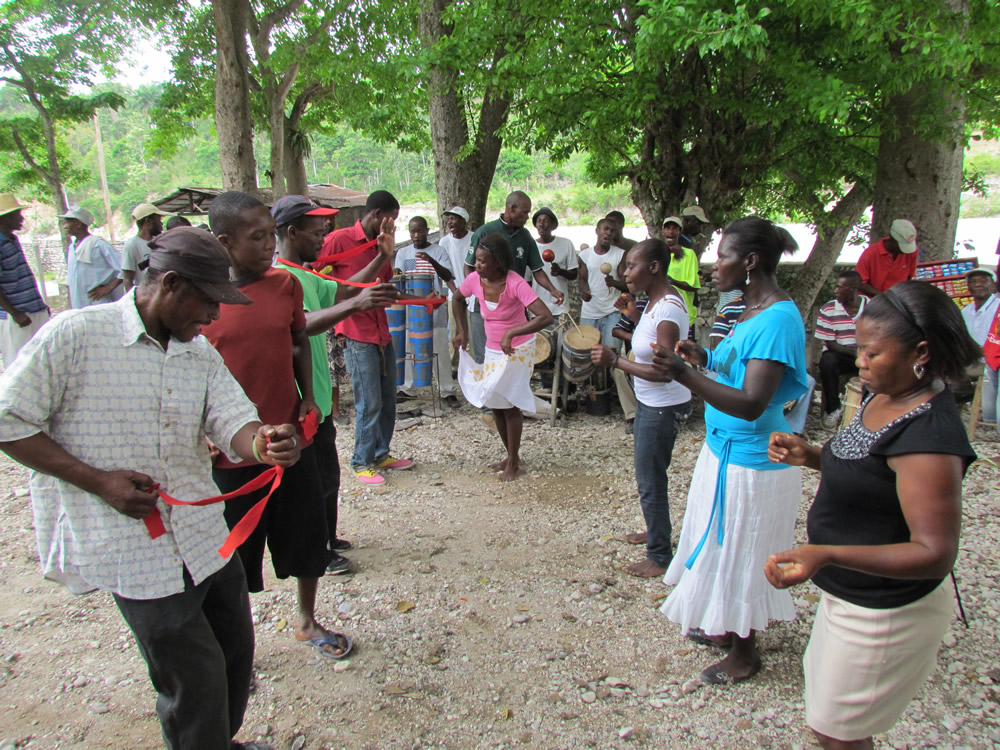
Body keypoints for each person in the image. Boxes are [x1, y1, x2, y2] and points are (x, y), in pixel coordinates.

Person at [0, 225, 301, 750]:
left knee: (234, 654)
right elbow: (9, 419)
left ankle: (215, 743)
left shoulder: (197, 352)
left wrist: (266, 442)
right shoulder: (75, 336)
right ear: (169, 284)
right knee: (194, 676)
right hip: (135, 548)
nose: (213, 316)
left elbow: (232, 421)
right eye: (208, 302)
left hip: (205, 538)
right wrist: (99, 481)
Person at [765, 280, 979, 750]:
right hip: (850, 594)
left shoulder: (929, 438)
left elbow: (934, 553)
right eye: (859, 349)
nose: (858, 362)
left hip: (887, 610)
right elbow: (870, 469)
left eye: (871, 353)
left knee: (839, 731)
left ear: (920, 352)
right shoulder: (885, 392)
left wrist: (825, 553)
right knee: (832, 721)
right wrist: (813, 455)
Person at [650, 216, 808, 684]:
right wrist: (706, 359)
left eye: (722, 256)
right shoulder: (748, 309)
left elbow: (753, 402)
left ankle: (745, 653)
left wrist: (684, 376)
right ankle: (727, 628)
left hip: (753, 462)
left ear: (751, 262)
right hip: (724, 452)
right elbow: (738, 367)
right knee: (720, 543)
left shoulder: (778, 319)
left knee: (743, 549)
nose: (712, 266)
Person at [205, 191, 351, 662]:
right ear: (224, 241)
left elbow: (297, 342)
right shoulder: (203, 296)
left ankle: (306, 621)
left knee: (308, 532)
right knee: (233, 551)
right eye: (257, 237)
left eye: (272, 234)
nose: (270, 245)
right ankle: (234, 645)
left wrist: (306, 395)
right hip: (233, 447)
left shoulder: (284, 285)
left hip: (290, 435)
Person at [272, 195, 398, 574]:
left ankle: (327, 537)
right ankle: (318, 555)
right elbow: (302, 323)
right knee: (310, 484)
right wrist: (357, 306)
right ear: (291, 233)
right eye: (316, 231)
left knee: (327, 474)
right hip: (297, 401)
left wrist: (379, 257)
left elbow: (342, 289)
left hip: (318, 399)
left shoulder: (305, 273)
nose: (323, 236)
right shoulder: (281, 278)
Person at [591, 239, 691, 577]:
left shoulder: (668, 310)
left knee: (650, 479)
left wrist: (616, 360)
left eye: (631, 266)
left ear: (654, 267)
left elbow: (666, 371)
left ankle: (659, 554)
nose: (624, 272)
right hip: (651, 404)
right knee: (649, 474)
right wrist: (633, 314)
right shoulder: (653, 303)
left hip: (662, 407)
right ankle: (655, 531)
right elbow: (650, 344)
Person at [321, 190, 414, 485]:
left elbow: (384, 285)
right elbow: (318, 279)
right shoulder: (340, 240)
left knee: (388, 398)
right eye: (391, 221)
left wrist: (421, 299)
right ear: (376, 215)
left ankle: (380, 452)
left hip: (381, 331)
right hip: (356, 332)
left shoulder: (381, 245)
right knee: (369, 401)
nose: (392, 228)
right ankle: (360, 461)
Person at [452, 233, 553, 481]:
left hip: (518, 350)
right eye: (476, 260)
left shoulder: (516, 283)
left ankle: (514, 462)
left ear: (498, 262)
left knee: (509, 406)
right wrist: (462, 331)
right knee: (495, 404)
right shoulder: (475, 280)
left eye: (483, 261)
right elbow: (457, 298)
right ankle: (511, 456)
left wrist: (513, 332)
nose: (477, 266)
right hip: (494, 350)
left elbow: (545, 316)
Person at [463, 191, 564, 364]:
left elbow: (537, 270)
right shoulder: (485, 232)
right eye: (525, 212)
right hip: (485, 307)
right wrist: (478, 293)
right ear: (512, 209)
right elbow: (470, 266)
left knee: (511, 356)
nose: (527, 217)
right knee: (484, 357)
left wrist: (553, 290)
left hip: (512, 307)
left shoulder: (525, 237)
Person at [394, 215, 459, 403]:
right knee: (409, 347)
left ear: (427, 231)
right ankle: (408, 388)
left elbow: (448, 276)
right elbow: (399, 276)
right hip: (411, 309)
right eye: (412, 231)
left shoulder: (438, 251)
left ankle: (446, 390)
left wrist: (431, 260)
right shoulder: (403, 253)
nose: (416, 235)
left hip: (434, 309)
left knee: (439, 347)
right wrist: (397, 273)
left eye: (420, 231)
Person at [0, 194, 49, 365]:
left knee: (39, 363)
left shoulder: (12, 240)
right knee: (19, 366)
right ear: (6, 217)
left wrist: (40, 306)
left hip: (32, 311)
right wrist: (16, 313)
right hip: (16, 317)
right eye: (17, 214)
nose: (21, 218)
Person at [815, 270, 869, 427]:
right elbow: (830, 344)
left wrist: (863, 353)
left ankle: (869, 410)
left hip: (867, 353)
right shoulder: (828, 309)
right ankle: (833, 409)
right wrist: (855, 353)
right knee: (827, 361)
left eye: (839, 287)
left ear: (852, 289)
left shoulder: (871, 307)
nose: (835, 291)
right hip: (842, 353)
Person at [59, 207, 124, 309]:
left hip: (97, 304)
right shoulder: (72, 247)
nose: (65, 227)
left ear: (78, 224)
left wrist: (109, 288)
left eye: (67, 223)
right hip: (79, 304)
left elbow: (125, 267)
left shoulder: (97, 244)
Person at [578, 218, 626, 347]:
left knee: (611, 352)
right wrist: (584, 292)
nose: (609, 233)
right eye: (606, 229)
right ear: (597, 231)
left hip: (612, 311)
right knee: (585, 352)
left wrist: (614, 283)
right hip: (590, 312)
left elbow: (626, 283)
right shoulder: (585, 255)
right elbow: (582, 280)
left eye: (612, 231)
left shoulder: (620, 255)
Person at [965, 266, 1000, 430]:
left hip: (993, 359)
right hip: (971, 360)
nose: (978, 284)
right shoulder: (967, 310)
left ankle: (990, 421)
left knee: (988, 372)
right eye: (974, 281)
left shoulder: (998, 307)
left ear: (993, 286)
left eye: (983, 281)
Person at [439, 206, 473, 369]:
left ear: (463, 221)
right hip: (454, 292)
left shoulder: (474, 238)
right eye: (449, 219)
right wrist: (456, 292)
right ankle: (453, 366)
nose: (450, 222)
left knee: (472, 331)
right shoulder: (445, 242)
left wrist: (471, 292)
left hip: (474, 293)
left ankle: (472, 365)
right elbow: (445, 271)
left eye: (454, 218)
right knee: (454, 331)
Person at [532, 207, 576, 319]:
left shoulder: (566, 244)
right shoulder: (531, 247)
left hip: (561, 306)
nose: (541, 224)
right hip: (538, 309)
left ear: (553, 225)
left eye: (545, 220)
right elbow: (527, 281)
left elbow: (574, 274)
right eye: (539, 221)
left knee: (563, 336)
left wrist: (560, 271)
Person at [856, 219, 918, 297]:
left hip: (900, 298)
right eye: (902, 245)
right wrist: (885, 297)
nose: (905, 251)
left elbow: (909, 276)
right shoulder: (870, 254)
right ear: (892, 239)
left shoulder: (911, 253)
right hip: (874, 300)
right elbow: (861, 284)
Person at [660, 216, 701, 331]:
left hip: (684, 314)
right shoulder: (657, 253)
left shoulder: (689, 254)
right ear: (662, 231)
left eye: (674, 228)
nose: (671, 231)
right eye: (667, 228)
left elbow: (693, 286)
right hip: (661, 314)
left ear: (680, 232)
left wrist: (672, 281)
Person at [122, 203, 175, 292]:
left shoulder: (161, 242)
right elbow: (127, 279)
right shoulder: (132, 245)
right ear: (148, 221)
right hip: (146, 297)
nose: (161, 223)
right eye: (158, 220)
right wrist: (133, 302)